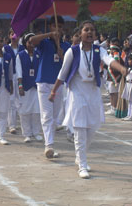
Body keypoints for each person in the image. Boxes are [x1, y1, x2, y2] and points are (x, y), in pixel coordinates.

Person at [49, 20, 126, 179]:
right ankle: (82, 164)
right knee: (80, 128)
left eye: (92, 30)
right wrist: (53, 91)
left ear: (95, 35)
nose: (89, 32)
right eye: (86, 30)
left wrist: (121, 68)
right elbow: (62, 74)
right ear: (81, 33)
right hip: (77, 91)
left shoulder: (99, 50)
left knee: (92, 128)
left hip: (93, 91)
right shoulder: (73, 51)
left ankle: (80, 156)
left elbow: (109, 61)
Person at [29, 15, 71, 158]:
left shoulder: (66, 46)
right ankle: (49, 145)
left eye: (60, 27)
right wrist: (50, 35)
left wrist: (63, 55)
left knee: (54, 116)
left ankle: (50, 141)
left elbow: (70, 65)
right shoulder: (44, 42)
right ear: (50, 27)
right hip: (44, 83)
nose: (57, 29)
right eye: (54, 26)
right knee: (46, 115)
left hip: (59, 84)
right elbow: (31, 41)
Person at [16, 33, 43, 143]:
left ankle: (36, 132)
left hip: (36, 86)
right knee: (24, 111)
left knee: (37, 111)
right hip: (25, 86)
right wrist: (20, 86)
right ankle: (26, 134)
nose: (31, 44)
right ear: (25, 43)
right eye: (29, 42)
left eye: (33, 42)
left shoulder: (39, 54)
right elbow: (18, 72)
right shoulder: (20, 55)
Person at [3, 28, 25, 134]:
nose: (14, 36)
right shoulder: (5, 48)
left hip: (21, 77)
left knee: (21, 101)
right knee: (11, 100)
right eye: (12, 34)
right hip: (11, 77)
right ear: (9, 36)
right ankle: (12, 125)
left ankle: (23, 124)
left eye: (17, 34)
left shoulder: (23, 48)